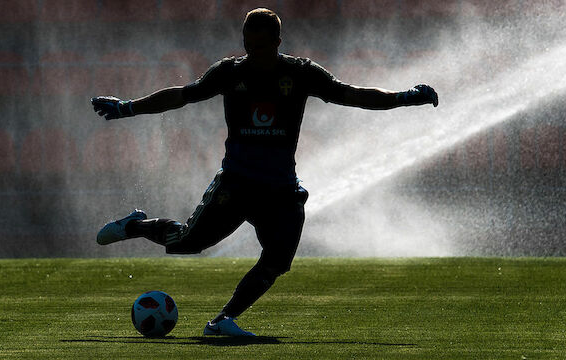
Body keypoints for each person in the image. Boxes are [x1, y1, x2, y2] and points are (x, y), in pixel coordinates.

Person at [91, 8, 438, 337]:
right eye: (248, 45)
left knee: (278, 259)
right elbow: (182, 96)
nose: (253, 52)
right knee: (187, 243)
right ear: (243, 43)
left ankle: (223, 320)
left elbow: (351, 95)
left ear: (278, 42)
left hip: (282, 190)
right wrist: (127, 108)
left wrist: (401, 98)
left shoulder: (302, 73)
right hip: (237, 183)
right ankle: (134, 225)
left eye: (261, 45)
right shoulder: (229, 72)